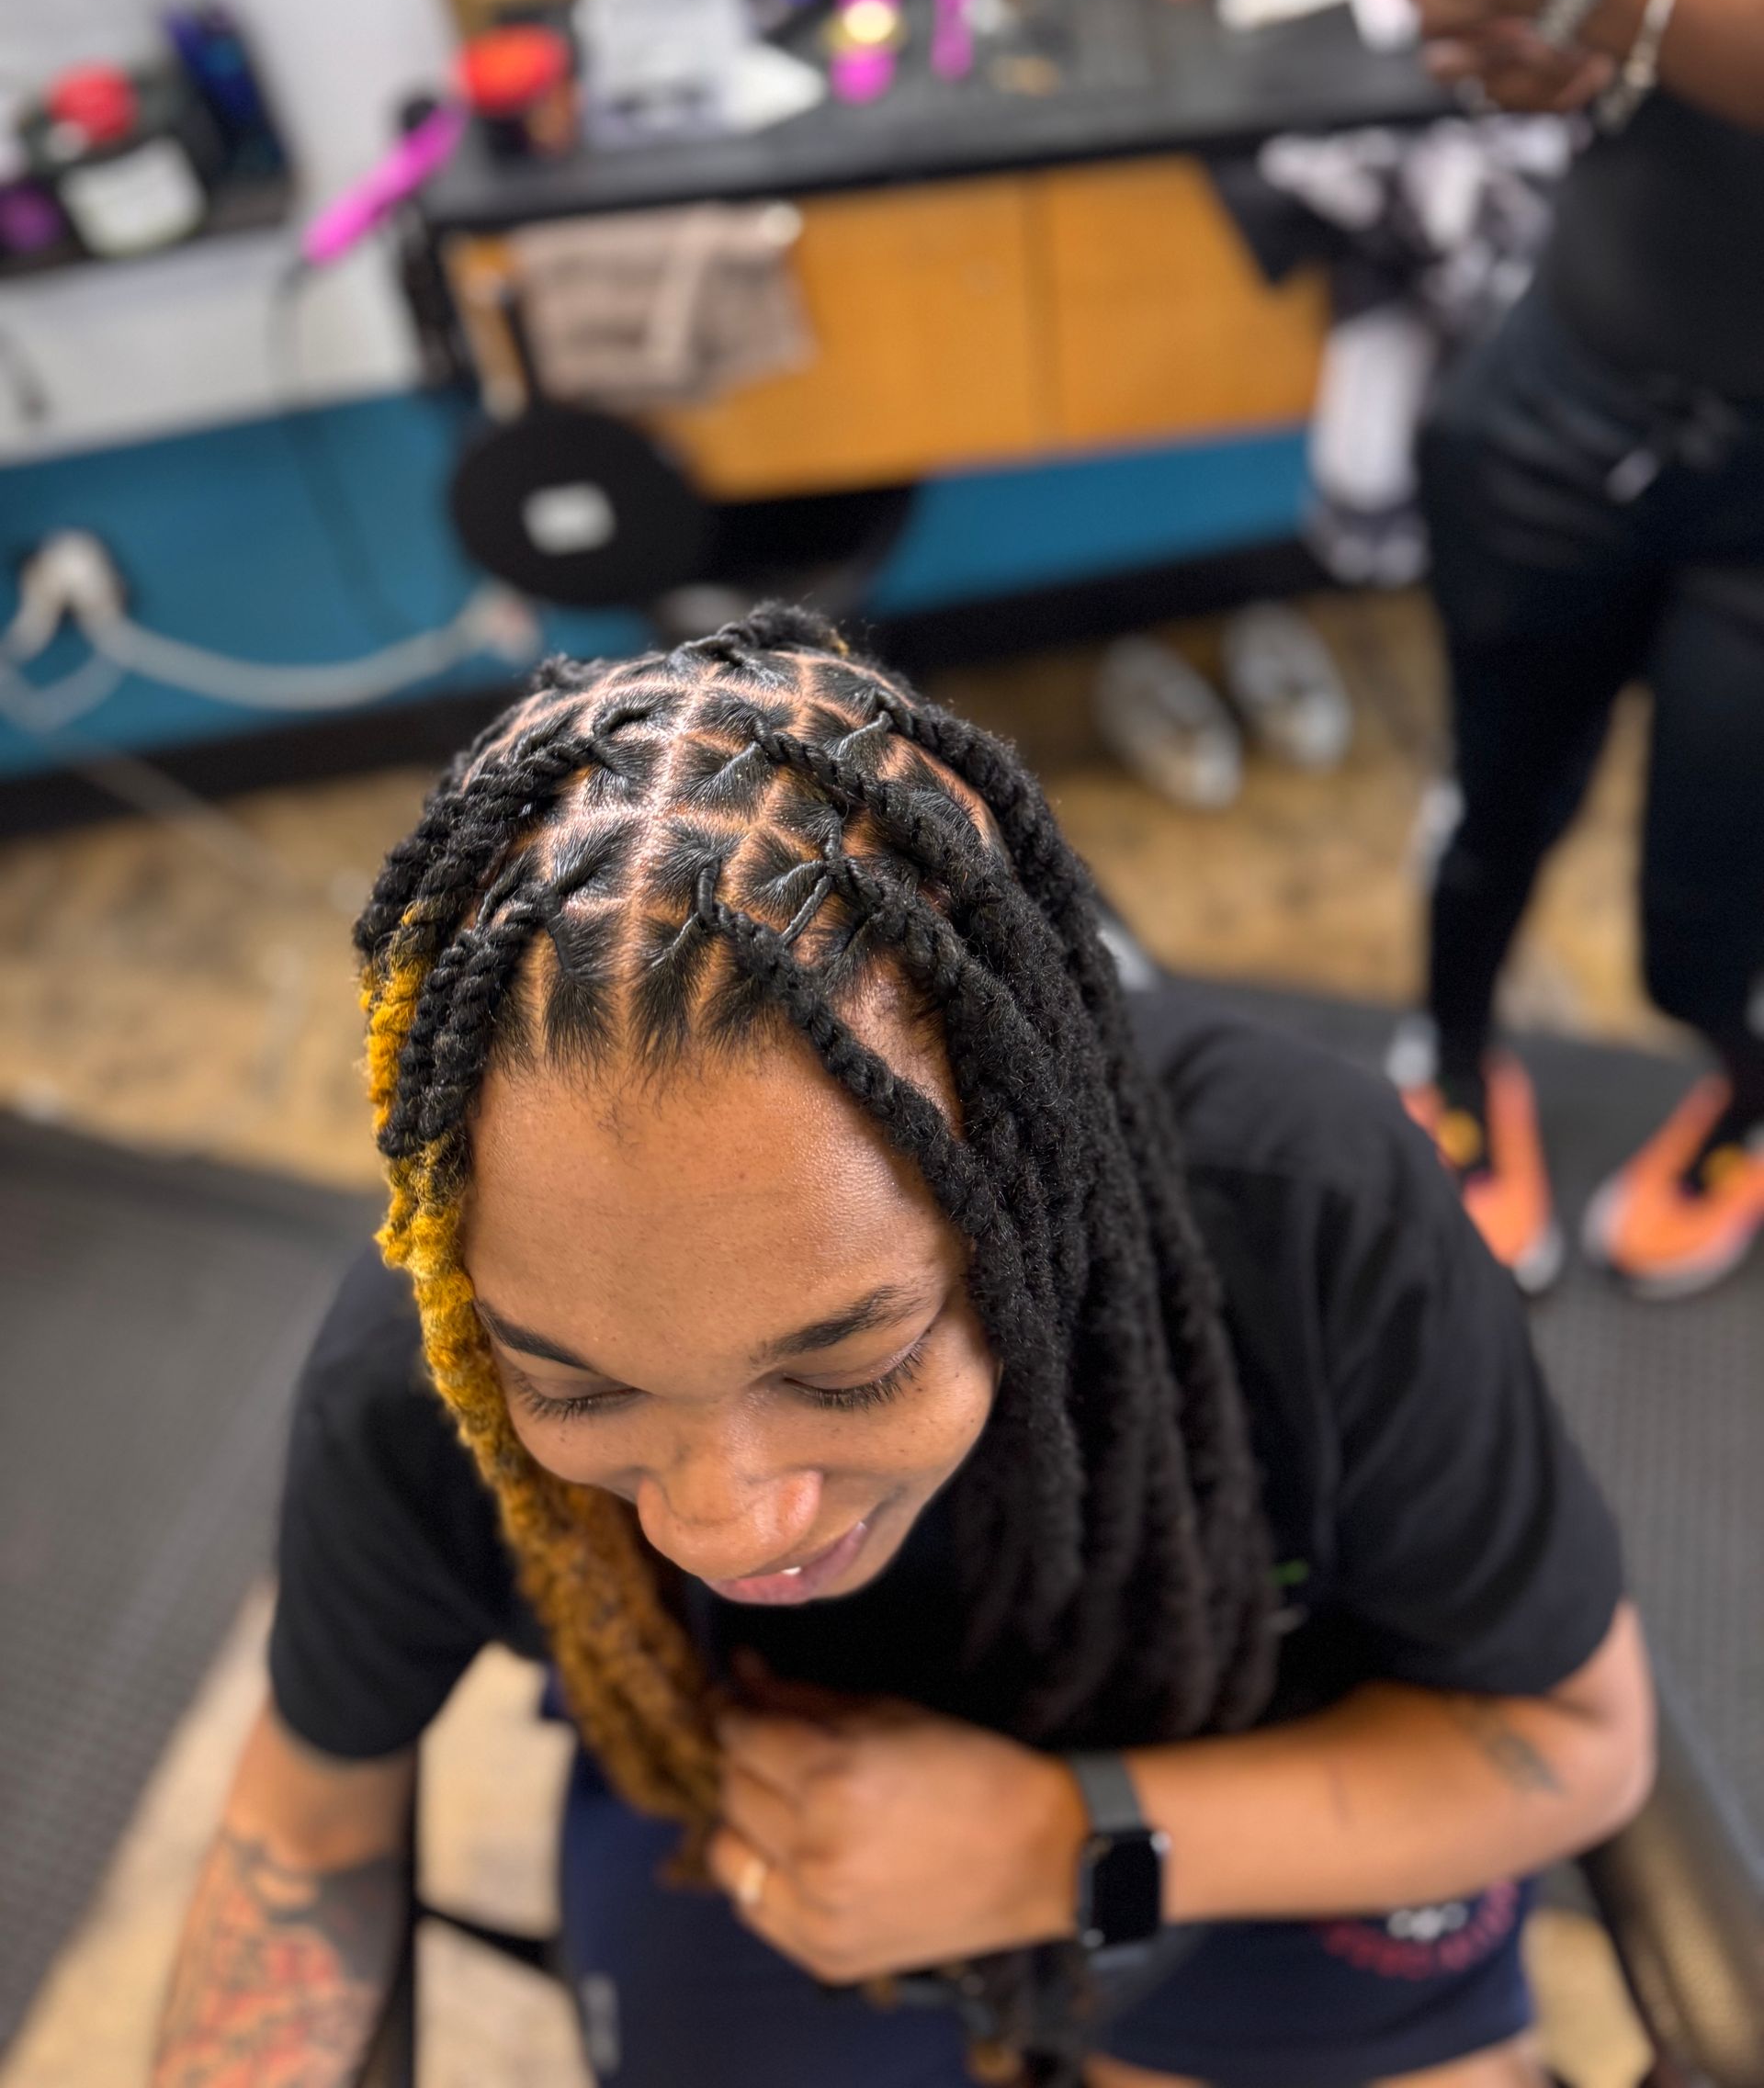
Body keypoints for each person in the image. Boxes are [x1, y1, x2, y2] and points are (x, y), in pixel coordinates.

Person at [151, 609, 1650, 2088]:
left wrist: (1072, 1846)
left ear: (1031, 1204)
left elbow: (1572, 1742)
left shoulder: (1308, 1227)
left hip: (1264, 1762)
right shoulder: (422, 1377)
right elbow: (307, 1827)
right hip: (757, 1826)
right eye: (581, 1389)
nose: (729, 1522)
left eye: (848, 1365)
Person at [1139, 0, 1764, 1300]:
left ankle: (1744, 1092)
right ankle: (1458, 1055)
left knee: (1711, 913)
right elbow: (1557, 8)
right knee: (1487, 811)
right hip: (1574, 375)